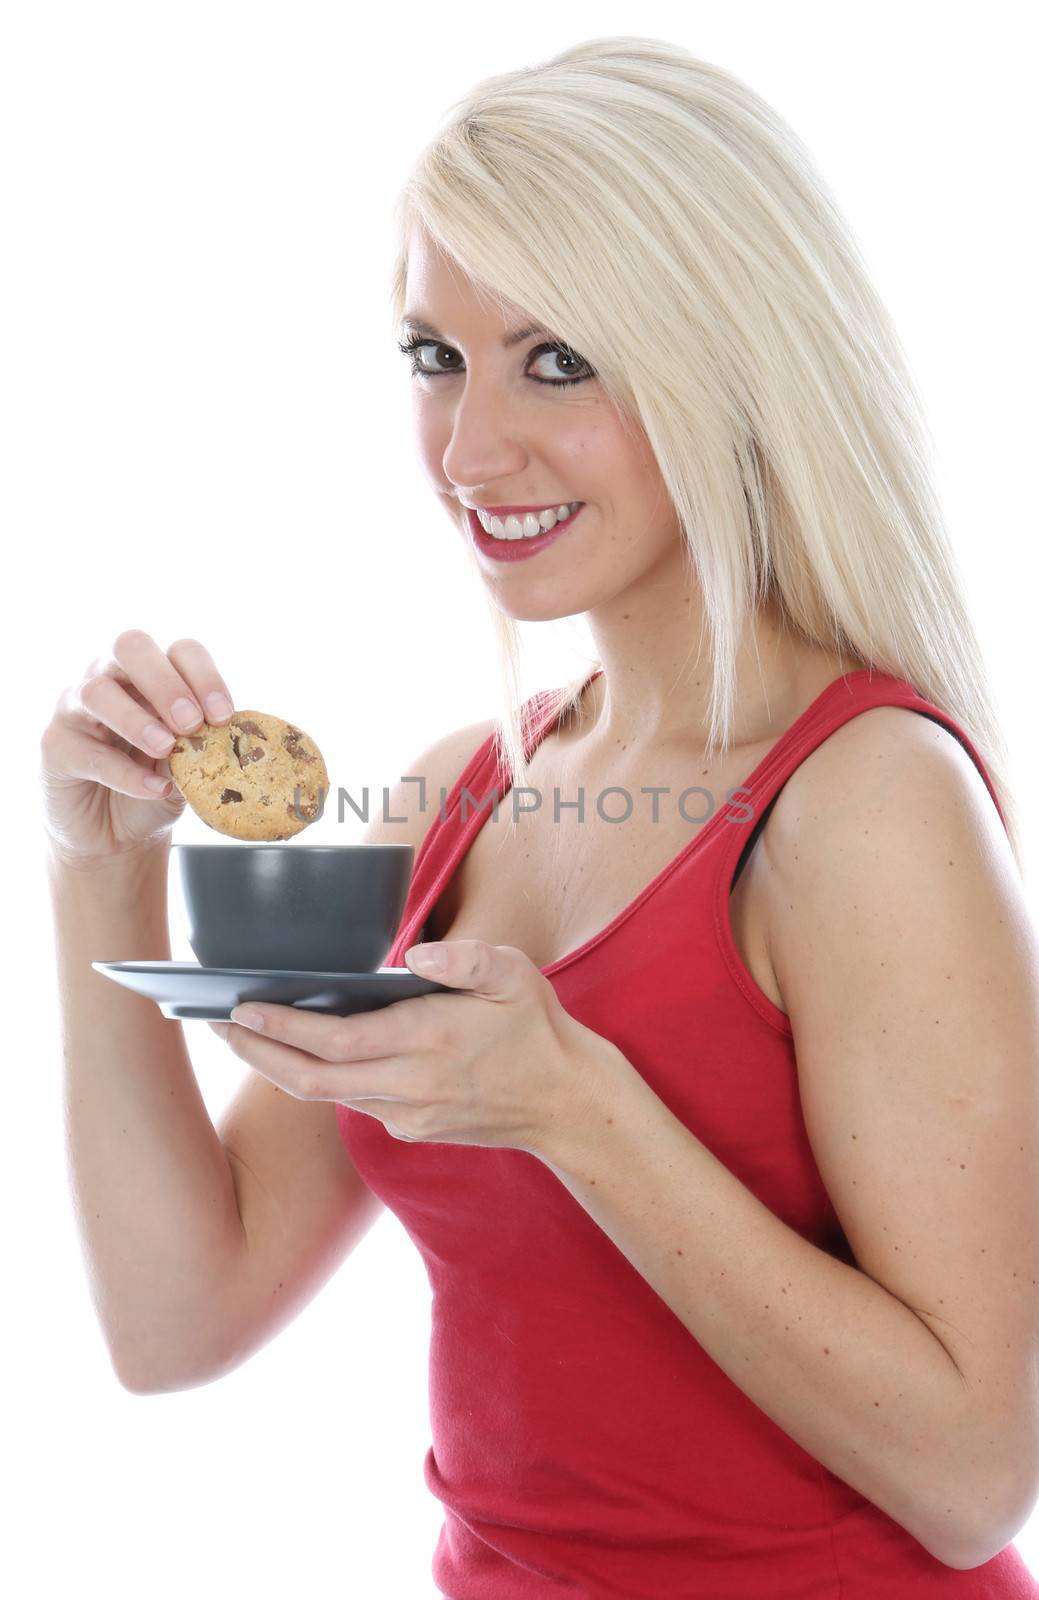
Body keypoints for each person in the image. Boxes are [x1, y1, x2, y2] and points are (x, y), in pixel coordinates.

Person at [40, 34, 1039, 1599]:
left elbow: (977, 1479)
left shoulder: (865, 803)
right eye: (434, 356)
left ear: (734, 367)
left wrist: (576, 1105)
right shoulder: (455, 799)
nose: (468, 447)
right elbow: (178, 1323)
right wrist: (102, 869)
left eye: (558, 359)